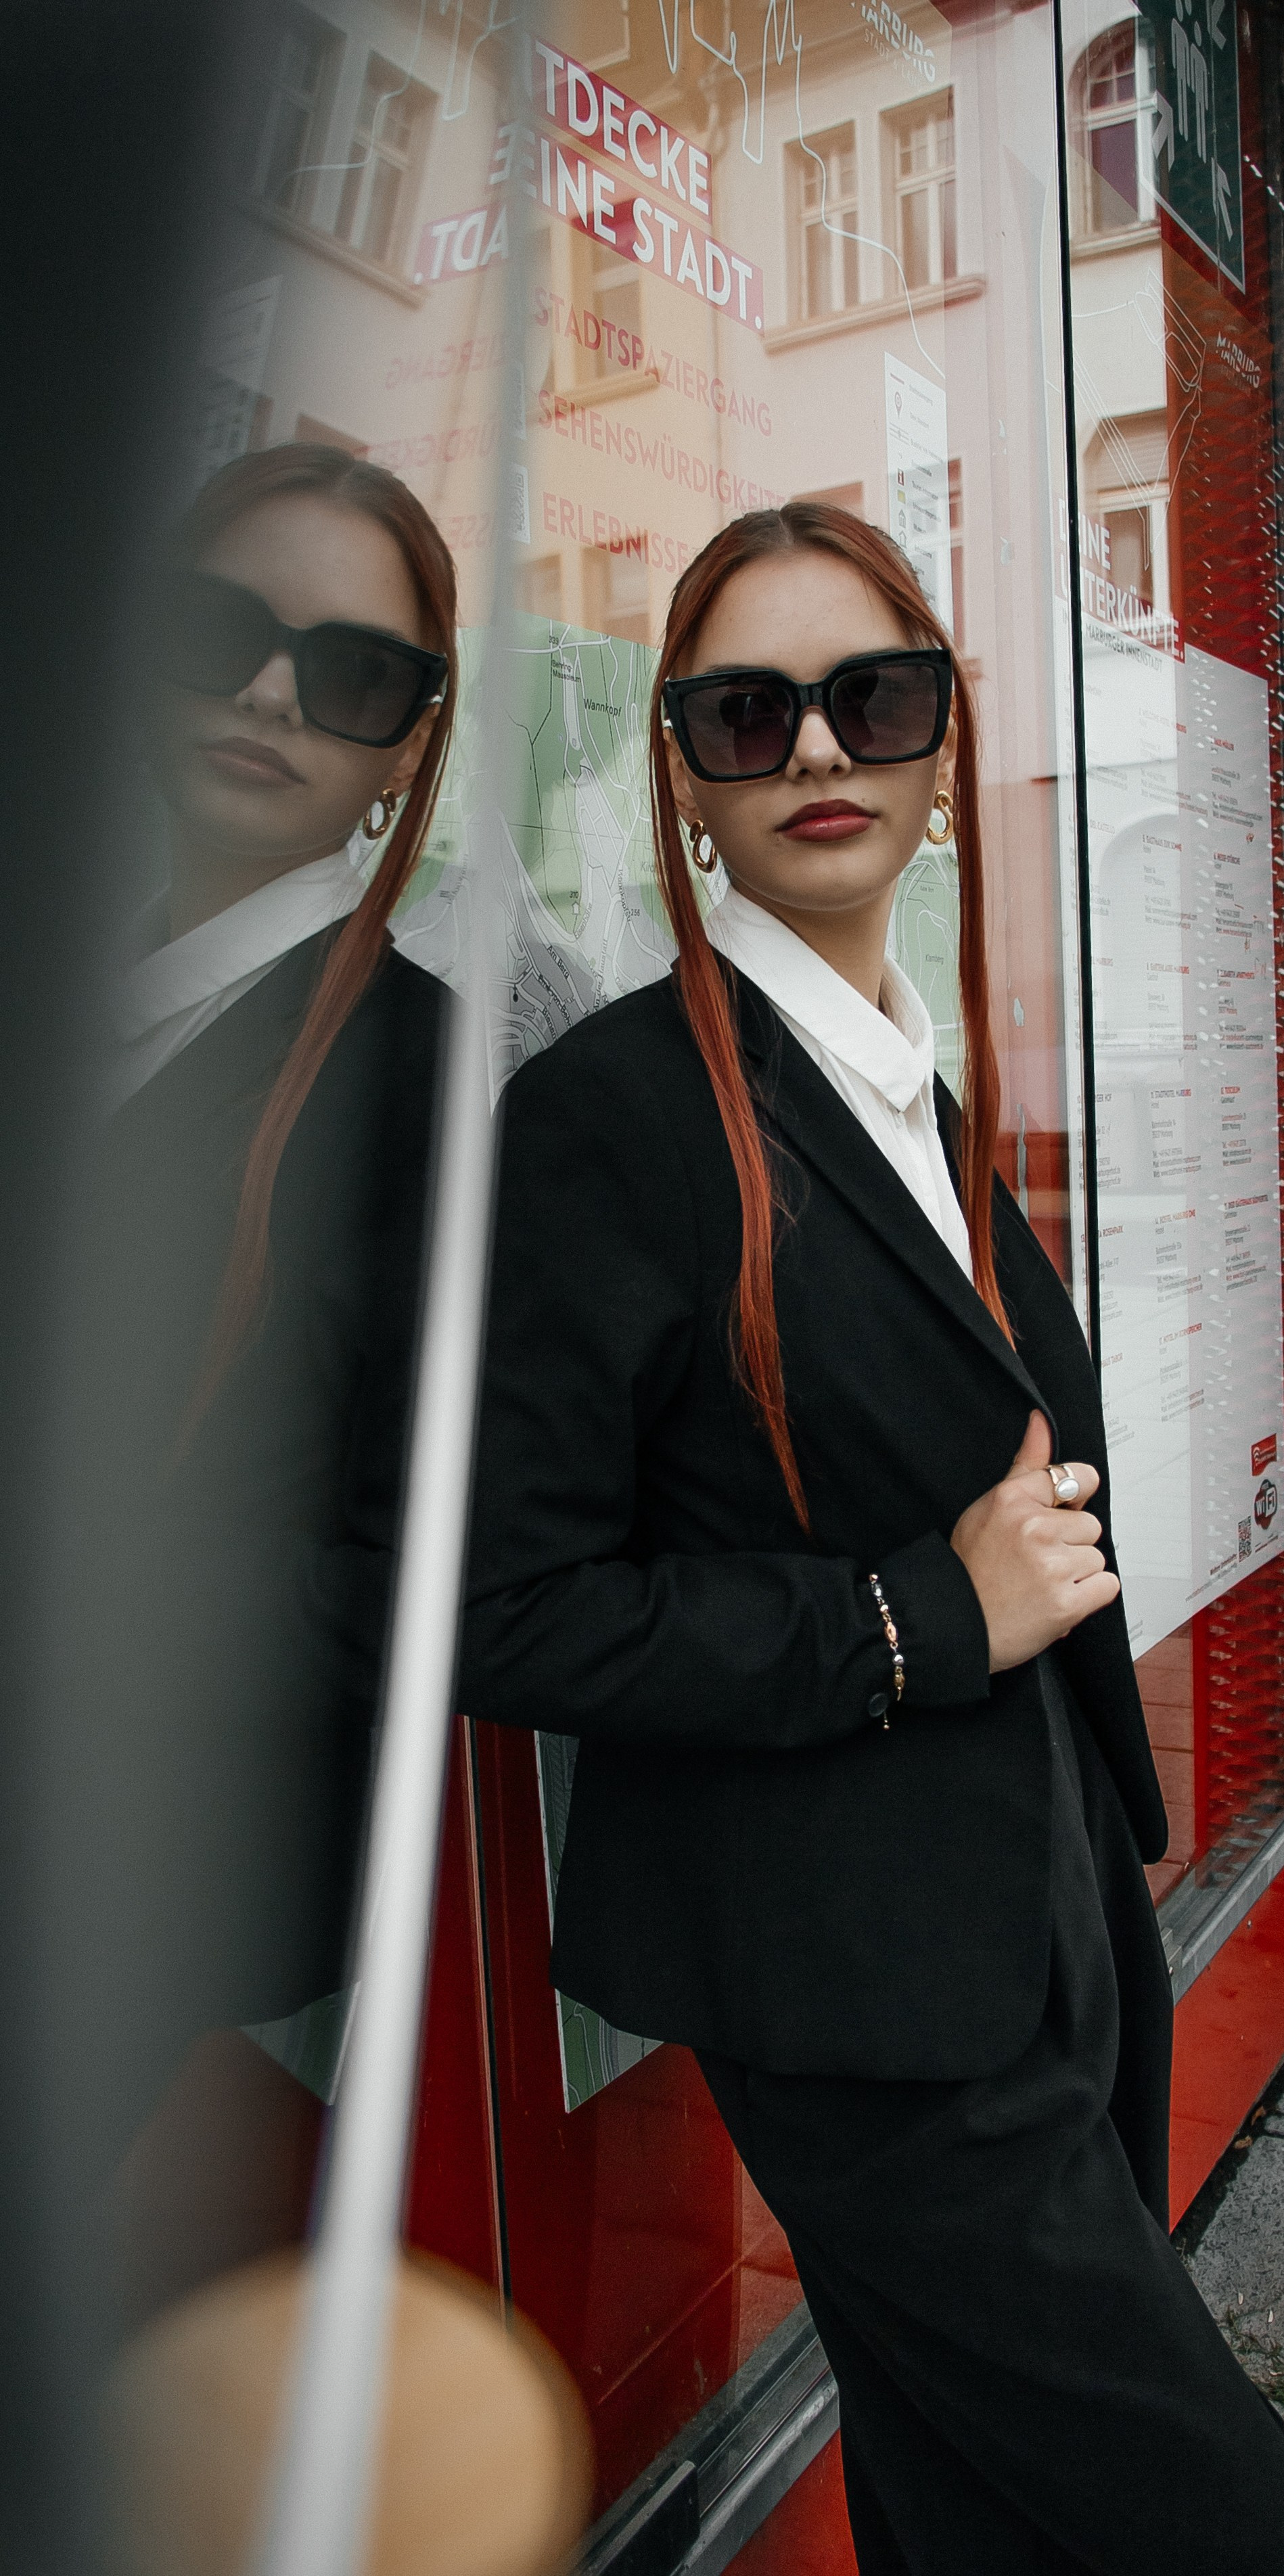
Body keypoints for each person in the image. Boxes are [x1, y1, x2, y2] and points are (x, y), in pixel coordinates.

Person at [461, 503, 1284, 2574]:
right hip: (856, 1979)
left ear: (942, 746)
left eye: (871, 698)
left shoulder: (895, 1089)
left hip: (1042, 1902)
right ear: (682, 775)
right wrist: (910, 1617)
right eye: (744, 714)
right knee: (1222, 2530)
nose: (816, 755)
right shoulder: (619, 1112)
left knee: (974, 2505)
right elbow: (513, 1611)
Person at [92, 444, 456, 2302]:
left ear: (409, 746)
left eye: (350, 674)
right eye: (223, 632)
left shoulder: (431, 1087)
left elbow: (418, 1576)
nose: (262, 697)